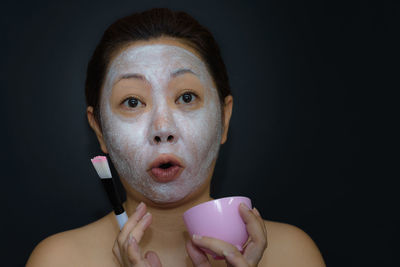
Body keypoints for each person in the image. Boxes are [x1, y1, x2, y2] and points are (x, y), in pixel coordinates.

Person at [26, 8, 325, 267]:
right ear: (99, 130)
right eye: (132, 102)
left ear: (224, 118)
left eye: (186, 96)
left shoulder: (292, 254)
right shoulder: (58, 259)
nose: (162, 128)